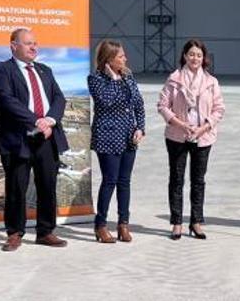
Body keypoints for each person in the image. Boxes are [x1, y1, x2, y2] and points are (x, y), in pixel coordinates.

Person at [0, 27, 69, 251]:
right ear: (13, 46)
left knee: (47, 185)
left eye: (35, 43)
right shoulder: (2, 70)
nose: (34, 47)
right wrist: (37, 121)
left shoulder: (45, 70)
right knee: (16, 187)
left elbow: (59, 98)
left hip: (46, 137)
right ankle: (15, 232)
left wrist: (50, 120)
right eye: (28, 43)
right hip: (19, 138)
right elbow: (6, 101)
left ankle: (45, 231)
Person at [156, 39, 225, 240]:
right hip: (177, 135)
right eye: (191, 54)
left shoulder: (211, 82)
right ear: (185, 56)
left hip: (202, 137)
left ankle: (196, 222)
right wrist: (178, 123)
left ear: (204, 59)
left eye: (199, 55)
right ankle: (177, 223)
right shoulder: (174, 79)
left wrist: (204, 127)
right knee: (176, 180)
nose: (195, 58)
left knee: (198, 180)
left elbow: (219, 109)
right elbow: (162, 105)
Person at [88, 39, 146, 243]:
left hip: (129, 136)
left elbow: (138, 103)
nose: (125, 58)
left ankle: (123, 224)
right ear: (109, 59)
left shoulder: (128, 76)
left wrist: (140, 127)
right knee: (110, 181)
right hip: (107, 136)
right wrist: (113, 80)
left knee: (124, 182)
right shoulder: (95, 79)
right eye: (121, 56)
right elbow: (106, 102)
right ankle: (100, 225)